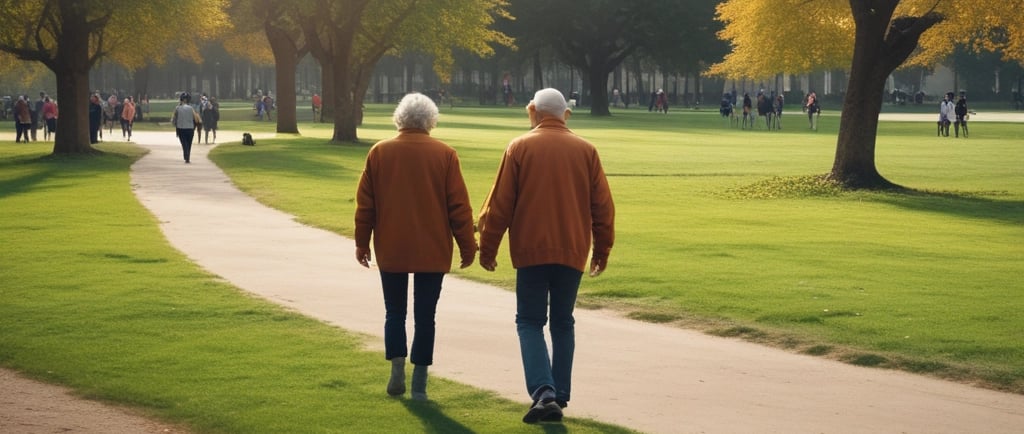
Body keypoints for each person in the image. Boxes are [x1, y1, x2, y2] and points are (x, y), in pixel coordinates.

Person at [477, 88, 615, 424]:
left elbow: (500, 205)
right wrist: (602, 248)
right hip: (572, 249)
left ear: (533, 112)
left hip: (531, 250)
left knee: (529, 321)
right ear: (565, 114)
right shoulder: (586, 150)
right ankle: (559, 393)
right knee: (563, 322)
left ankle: (544, 392)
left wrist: (489, 246)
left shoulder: (520, 147)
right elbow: (603, 207)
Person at [353, 92, 477, 402]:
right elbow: (458, 207)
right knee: (425, 316)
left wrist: (361, 242)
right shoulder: (445, 154)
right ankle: (420, 382)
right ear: (430, 120)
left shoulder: (379, 152)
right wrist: (467, 245)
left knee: (394, 311)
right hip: (432, 247)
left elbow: (365, 205)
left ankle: (397, 367)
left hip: (392, 244)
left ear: (400, 118)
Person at [171, 93, 198, 163]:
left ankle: (186, 156)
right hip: (190, 128)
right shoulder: (191, 108)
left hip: (181, 128)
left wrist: (174, 123)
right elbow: (196, 119)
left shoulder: (177, 108)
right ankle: (187, 156)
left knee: (184, 143)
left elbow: (173, 119)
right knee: (189, 143)